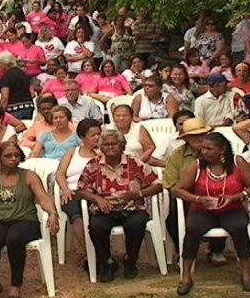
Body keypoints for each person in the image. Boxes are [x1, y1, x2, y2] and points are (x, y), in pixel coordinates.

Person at [0, 142, 59, 298]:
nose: (13, 158)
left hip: (25, 220)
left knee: (14, 238)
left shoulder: (29, 176)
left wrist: (52, 212)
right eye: (8, 155)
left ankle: (16, 285)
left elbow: (43, 197)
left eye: (16, 155)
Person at [172, 132, 250, 295]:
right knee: (192, 228)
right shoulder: (197, 165)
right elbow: (177, 190)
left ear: (222, 149)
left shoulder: (237, 162)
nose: (204, 152)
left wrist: (235, 197)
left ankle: (247, 273)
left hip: (231, 208)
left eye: (209, 149)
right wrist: (198, 199)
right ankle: (185, 276)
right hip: (202, 209)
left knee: (239, 227)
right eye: (203, 148)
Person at [77, 130, 163, 282]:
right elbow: (81, 189)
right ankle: (107, 263)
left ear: (122, 146)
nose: (110, 147)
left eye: (114, 144)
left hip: (131, 207)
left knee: (137, 223)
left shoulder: (134, 162)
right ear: (101, 148)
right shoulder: (93, 164)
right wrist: (97, 198)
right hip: (104, 209)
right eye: (106, 144)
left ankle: (130, 260)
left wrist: (138, 194)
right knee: (96, 226)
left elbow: (158, 185)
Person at [163, 118, 227, 261]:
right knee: (173, 212)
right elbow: (171, 185)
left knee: (224, 204)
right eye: (193, 135)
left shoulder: (220, 154)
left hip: (216, 192)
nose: (198, 138)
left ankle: (216, 250)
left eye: (201, 134)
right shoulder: (177, 155)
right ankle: (183, 252)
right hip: (186, 197)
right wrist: (192, 197)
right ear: (186, 138)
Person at [55, 119, 101, 264]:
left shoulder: (102, 154)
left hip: (95, 193)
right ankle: (91, 253)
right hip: (73, 191)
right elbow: (60, 174)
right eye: (92, 135)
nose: (97, 138)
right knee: (77, 214)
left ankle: (100, 251)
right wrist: (65, 189)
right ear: (82, 137)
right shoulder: (72, 152)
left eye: (99, 134)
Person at [0, 51, 35, 120]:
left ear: (5, 63)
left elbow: (5, 98)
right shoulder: (23, 74)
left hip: (14, 109)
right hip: (28, 106)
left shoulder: (6, 77)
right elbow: (32, 92)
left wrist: (1, 112)